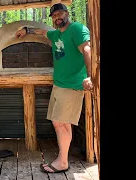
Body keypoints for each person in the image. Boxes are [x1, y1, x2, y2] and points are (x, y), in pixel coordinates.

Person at [16, 3, 93, 173]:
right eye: (54, 16)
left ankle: (63, 162)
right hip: (59, 85)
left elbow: (87, 49)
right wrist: (26, 29)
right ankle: (61, 158)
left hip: (73, 85)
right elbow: (42, 32)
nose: (57, 17)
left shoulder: (77, 29)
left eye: (60, 13)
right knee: (58, 123)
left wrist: (89, 76)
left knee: (63, 124)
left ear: (66, 13)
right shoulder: (56, 34)